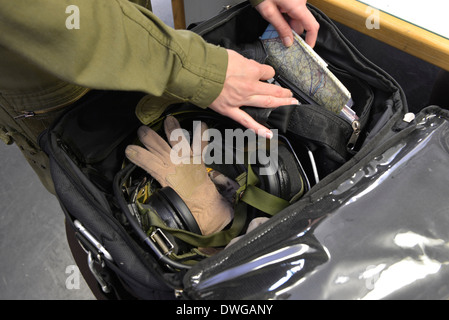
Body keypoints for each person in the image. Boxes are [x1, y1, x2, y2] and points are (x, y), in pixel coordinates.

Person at [0, 0, 319, 299]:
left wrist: (211, 219)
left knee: (94, 203)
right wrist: (192, 68)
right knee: (85, 194)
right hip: (53, 58)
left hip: (117, 30)